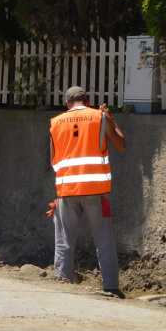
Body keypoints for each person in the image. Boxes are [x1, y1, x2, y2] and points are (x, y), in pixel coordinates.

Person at [47, 85, 127, 298]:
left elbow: (55, 161)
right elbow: (121, 145)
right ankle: (111, 287)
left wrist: (59, 195)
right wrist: (112, 119)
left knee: (63, 241)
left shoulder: (55, 124)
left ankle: (62, 284)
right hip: (97, 190)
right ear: (88, 101)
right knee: (104, 239)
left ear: (67, 104)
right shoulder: (99, 117)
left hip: (67, 191)